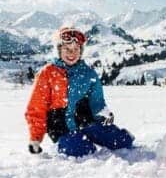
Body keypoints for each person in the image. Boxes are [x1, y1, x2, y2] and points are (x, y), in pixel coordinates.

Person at [25, 27, 134, 157]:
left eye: (76, 49)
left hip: (85, 120)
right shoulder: (47, 73)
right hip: (60, 126)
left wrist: (103, 116)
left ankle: (118, 136)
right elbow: (37, 107)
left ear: (81, 51)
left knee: (122, 142)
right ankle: (77, 142)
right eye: (67, 49)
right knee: (80, 150)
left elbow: (97, 101)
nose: (72, 53)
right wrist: (36, 138)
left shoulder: (88, 74)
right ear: (59, 50)